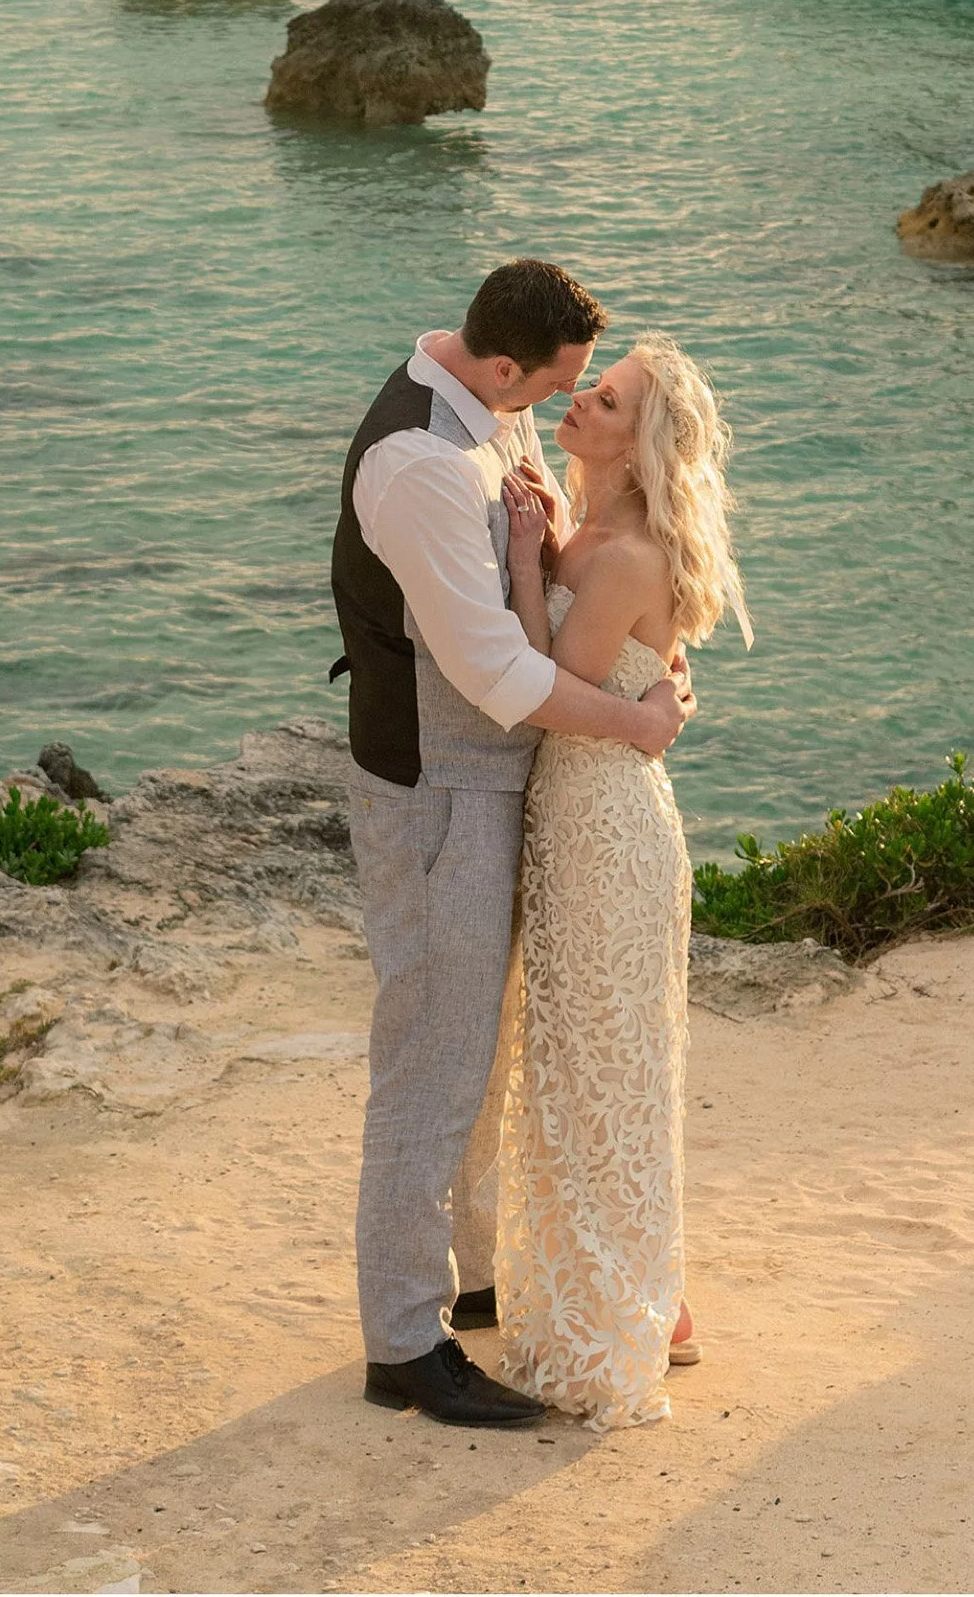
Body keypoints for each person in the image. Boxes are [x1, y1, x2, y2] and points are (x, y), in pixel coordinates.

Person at [332, 260, 694, 1430]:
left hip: (510, 792)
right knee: (434, 1061)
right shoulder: (419, 465)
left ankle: (475, 1281)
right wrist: (640, 720)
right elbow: (494, 673)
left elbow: (562, 579)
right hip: (441, 785)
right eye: (550, 385)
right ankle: (402, 1343)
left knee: (484, 1061)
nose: (554, 406)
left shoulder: (490, 408)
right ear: (499, 365)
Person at [493, 332, 751, 1426]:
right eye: (590, 392)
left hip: (607, 836)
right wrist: (544, 537)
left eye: (604, 402)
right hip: (573, 821)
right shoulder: (585, 529)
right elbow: (640, 674)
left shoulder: (626, 553)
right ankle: (651, 1305)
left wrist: (519, 562)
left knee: (605, 1081)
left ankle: (618, 1333)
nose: (581, 408)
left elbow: (548, 684)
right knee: (577, 1075)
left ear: (639, 447)